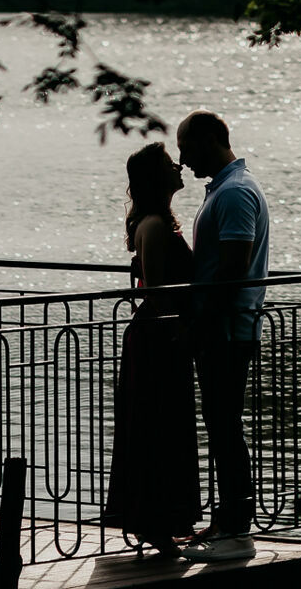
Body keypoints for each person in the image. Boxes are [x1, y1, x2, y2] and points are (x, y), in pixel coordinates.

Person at [175, 110, 271, 563]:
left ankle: (236, 531)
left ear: (211, 139)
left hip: (227, 331)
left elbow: (232, 270)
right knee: (220, 426)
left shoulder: (234, 194)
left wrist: (200, 326)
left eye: (187, 147)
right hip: (225, 328)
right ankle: (226, 522)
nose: (182, 159)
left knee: (225, 427)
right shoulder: (226, 190)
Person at [102, 143, 201, 558]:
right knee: (159, 424)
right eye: (168, 163)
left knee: (158, 424)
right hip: (159, 337)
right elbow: (159, 293)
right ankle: (157, 522)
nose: (178, 166)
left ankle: (161, 520)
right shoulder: (156, 225)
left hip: (156, 335)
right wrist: (185, 328)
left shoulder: (154, 221)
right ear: (156, 178)